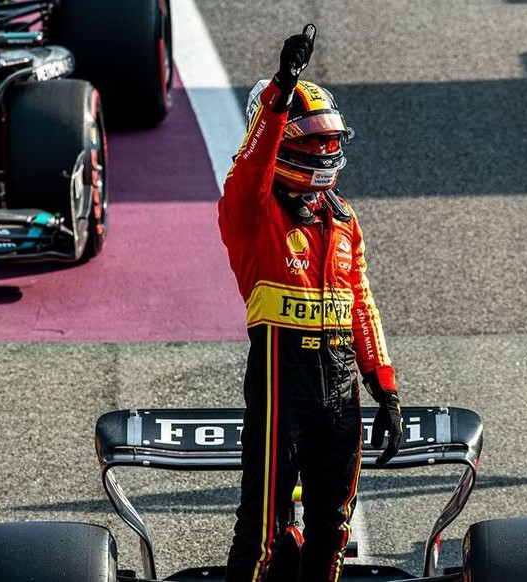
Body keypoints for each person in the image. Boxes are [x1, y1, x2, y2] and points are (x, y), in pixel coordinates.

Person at [218, 25, 403, 582]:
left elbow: (361, 303)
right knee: (262, 529)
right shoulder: (249, 213)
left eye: (330, 140)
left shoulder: (344, 220)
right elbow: (253, 166)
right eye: (311, 140)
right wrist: (280, 91)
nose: (324, 150)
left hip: (342, 382)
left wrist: (385, 387)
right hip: (282, 379)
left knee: (334, 527)